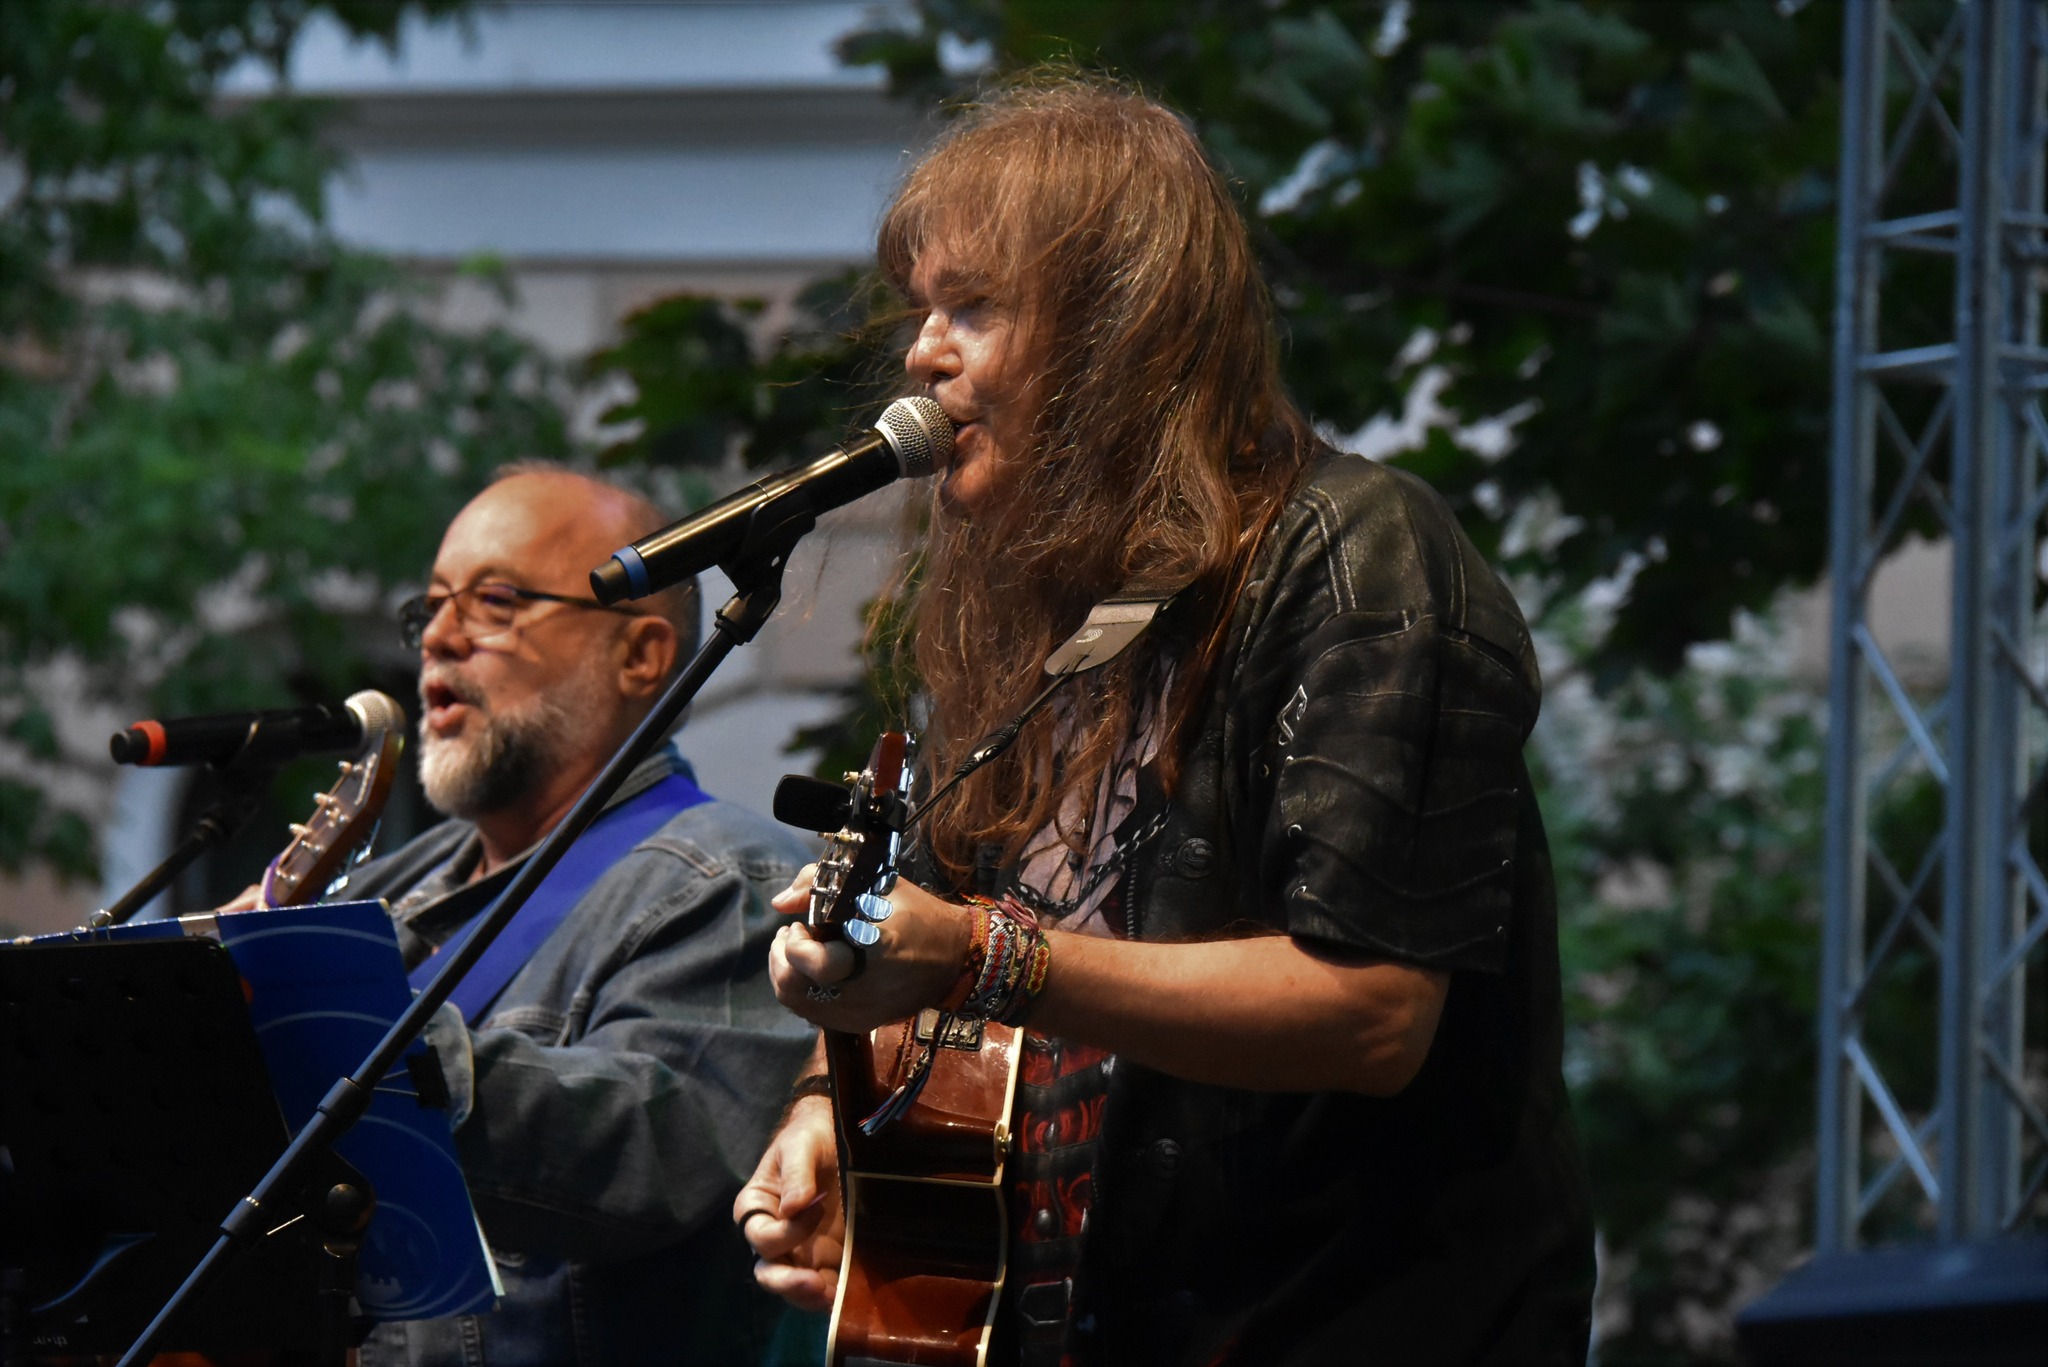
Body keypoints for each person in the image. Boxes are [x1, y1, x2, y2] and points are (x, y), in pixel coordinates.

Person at [736, 76, 1596, 1365]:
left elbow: (1368, 1010)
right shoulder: (1033, 626)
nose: (923, 350)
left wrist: (982, 952)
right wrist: (831, 1092)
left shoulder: (1357, 560)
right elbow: (940, 963)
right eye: (924, 309)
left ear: (1112, 333)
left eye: (971, 306)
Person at [332, 465, 816, 1366]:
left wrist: (331, 1025)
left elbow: (653, 1159)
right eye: (430, 608)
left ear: (639, 655)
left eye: (496, 602)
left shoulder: (736, 881)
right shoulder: (387, 890)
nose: (438, 637)